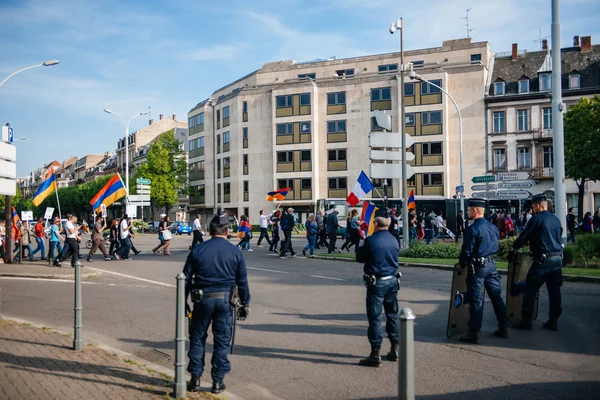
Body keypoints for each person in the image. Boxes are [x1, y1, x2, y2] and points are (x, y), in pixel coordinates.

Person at [184, 214, 250, 394]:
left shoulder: (198, 250)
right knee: (221, 341)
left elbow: (186, 278)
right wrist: (245, 303)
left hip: (202, 300)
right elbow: (242, 281)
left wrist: (183, 302)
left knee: (197, 338)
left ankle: (195, 379)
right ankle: (217, 381)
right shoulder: (235, 251)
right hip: (225, 301)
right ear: (227, 231)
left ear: (210, 231)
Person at [458, 199, 508, 344]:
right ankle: (503, 327)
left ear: (474, 211)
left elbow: (466, 251)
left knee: (477, 300)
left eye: (468, 209)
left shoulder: (472, 229)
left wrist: (462, 264)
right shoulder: (492, 227)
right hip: (491, 265)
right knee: (496, 297)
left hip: (477, 268)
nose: (467, 212)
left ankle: (473, 333)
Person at [512, 194, 564, 331]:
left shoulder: (536, 219)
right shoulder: (556, 220)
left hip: (543, 260)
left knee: (530, 289)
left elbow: (525, 235)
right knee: (554, 291)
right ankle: (553, 321)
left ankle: (527, 321)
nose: (533, 209)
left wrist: (514, 247)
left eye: (534, 206)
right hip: (557, 259)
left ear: (539, 206)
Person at [356, 209, 400, 367]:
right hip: (392, 281)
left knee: (375, 318)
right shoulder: (394, 239)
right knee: (392, 315)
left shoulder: (371, 240)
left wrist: (362, 240)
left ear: (375, 223)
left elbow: (359, 258)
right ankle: (395, 349)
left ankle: (375, 353)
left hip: (377, 283)